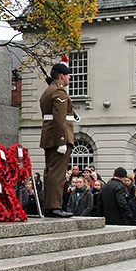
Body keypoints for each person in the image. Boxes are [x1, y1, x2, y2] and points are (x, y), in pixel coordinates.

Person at [39, 57, 75, 218]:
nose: (69, 77)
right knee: (57, 174)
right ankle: (53, 206)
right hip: (58, 136)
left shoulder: (49, 91)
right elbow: (59, 118)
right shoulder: (59, 92)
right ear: (61, 76)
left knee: (50, 171)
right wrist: (62, 140)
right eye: (68, 75)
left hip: (49, 136)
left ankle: (49, 205)